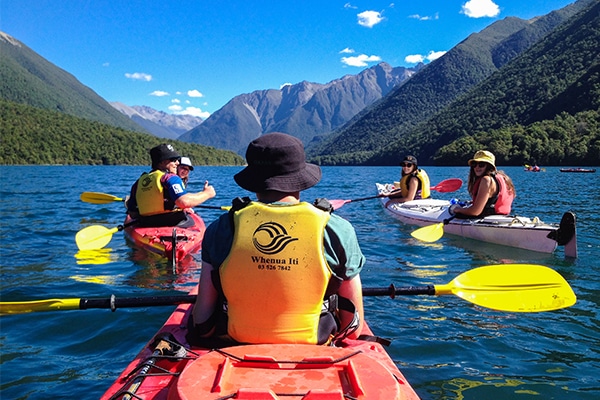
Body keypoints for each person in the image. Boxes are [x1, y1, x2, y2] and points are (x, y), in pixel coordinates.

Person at [188, 132, 365, 346]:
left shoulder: (221, 228)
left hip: (236, 344)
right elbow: (353, 329)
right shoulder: (338, 229)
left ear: (252, 180)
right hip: (315, 345)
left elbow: (203, 323)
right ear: (301, 178)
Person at [126, 144, 216, 227]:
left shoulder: (139, 182)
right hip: (173, 222)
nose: (177, 163)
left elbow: (133, 213)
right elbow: (183, 202)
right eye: (173, 160)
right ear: (162, 162)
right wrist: (207, 193)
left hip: (146, 223)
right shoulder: (170, 178)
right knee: (195, 218)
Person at [450, 150, 516, 218]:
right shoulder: (504, 177)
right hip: (501, 217)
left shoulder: (486, 180)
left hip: (488, 219)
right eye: (474, 164)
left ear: (489, 166)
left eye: (481, 164)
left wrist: (457, 209)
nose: (477, 167)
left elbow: (475, 212)